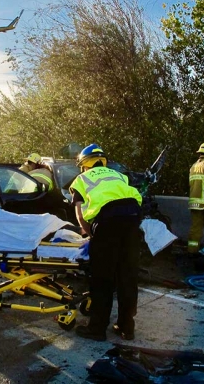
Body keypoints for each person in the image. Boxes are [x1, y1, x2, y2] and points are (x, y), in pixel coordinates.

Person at [69, 144, 143, 342]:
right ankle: (127, 327)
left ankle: (97, 329)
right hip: (133, 218)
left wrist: (90, 233)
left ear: (84, 164)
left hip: (108, 222)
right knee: (127, 277)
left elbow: (79, 214)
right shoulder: (118, 175)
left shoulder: (82, 179)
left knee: (103, 279)